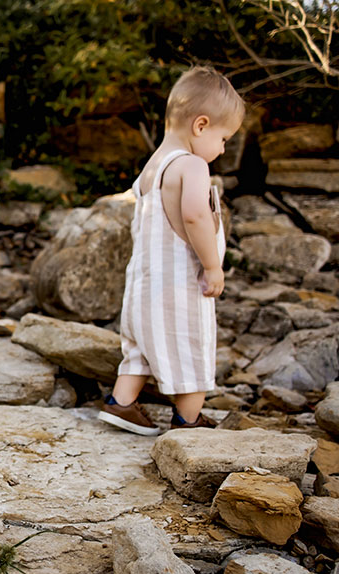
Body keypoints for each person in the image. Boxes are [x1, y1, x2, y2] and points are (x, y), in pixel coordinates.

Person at [98, 66, 244, 436]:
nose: (223, 148)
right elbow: (195, 216)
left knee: (139, 351)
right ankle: (188, 420)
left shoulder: (151, 169)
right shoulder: (191, 165)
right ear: (200, 126)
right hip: (178, 290)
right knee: (190, 349)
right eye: (224, 138)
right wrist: (213, 267)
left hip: (143, 288)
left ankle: (121, 404)